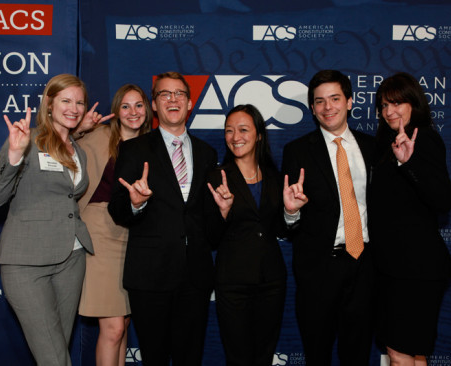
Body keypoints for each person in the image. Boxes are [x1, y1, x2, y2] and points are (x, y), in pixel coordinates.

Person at [0, 74, 110, 366]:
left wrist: (80, 132)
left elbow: (65, 185)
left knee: (54, 352)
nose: (74, 108)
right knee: (54, 357)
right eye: (66, 100)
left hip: (71, 258)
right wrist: (13, 155)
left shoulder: (77, 150)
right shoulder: (26, 140)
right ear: (49, 104)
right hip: (26, 264)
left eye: (80, 102)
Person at [108, 71, 218, 366]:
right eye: (164, 94)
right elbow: (116, 209)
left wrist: (223, 212)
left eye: (179, 94)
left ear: (190, 102)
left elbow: (209, 223)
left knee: (190, 357)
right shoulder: (133, 149)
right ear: (154, 105)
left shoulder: (208, 153)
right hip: (150, 275)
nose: (172, 99)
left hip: (194, 275)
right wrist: (134, 203)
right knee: (154, 358)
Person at [281, 70, 375, 365]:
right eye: (319, 101)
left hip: (365, 266)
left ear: (349, 101)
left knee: (357, 354)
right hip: (319, 269)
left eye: (335, 99)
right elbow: (286, 222)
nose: (327, 107)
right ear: (312, 108)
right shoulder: (296, 151)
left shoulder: (374, 147)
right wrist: (291, 211)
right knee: (317, 353)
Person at [371, 72, 451, 366]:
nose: (389, 111)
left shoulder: (424, 139)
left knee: (399, 353)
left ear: (414, 103)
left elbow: (444, 200)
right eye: (383, 105)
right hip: (396, 267)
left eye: (397, 103)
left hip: (414, 269)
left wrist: (410, 163)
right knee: (414, 354)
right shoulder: (387, 145)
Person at [206, 104, 291, 365]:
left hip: (271, 281)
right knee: (238, 357)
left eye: (243, 129)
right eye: (229, 131)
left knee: (264, 355)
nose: (235, 137)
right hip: (233, 282)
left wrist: (292, 212)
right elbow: (209, 237)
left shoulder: (276, 178)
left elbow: (282, 229)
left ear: (259, 135)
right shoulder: (217, 178)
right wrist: (222, 212)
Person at [77, 84, 152, 366]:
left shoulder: (151, 146)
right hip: (100, 232)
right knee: (114, 328)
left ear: (147, 110)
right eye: (125, 106)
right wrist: (79, 129)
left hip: (134, 237)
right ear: (116, 111)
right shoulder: (98, 136)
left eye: (139, 105)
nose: (133, 112)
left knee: (123, 326)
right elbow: (59, 147)